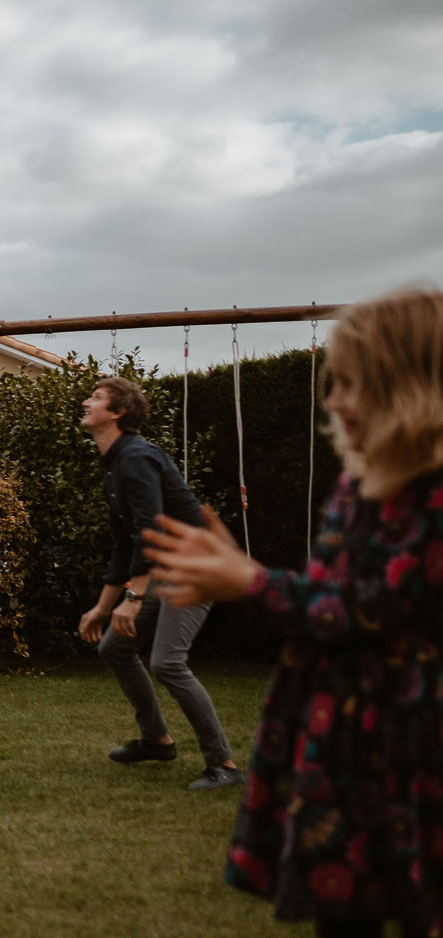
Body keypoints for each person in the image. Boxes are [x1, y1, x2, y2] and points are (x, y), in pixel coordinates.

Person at [145, 288, 443, 938]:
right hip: (338, 735)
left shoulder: (433, 498)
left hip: (407, 742)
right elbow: (324, 598)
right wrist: (236, 576)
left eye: (351, 384)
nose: (332, 401)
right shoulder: (358, 485)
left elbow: (372, 609)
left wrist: (251, 583)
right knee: (343, 908)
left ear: (411, 387)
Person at [76, 376, 242, 791]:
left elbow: (152, 530)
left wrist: (133, 598)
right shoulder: (115, 463)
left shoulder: (135, 457)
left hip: (195, 564)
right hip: (165, 564)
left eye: (96, 398)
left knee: (167, 662)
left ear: (117, 413)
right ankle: (157, 740)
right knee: (115, 646)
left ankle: (224, 763)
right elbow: (125, 543)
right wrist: (103, 606)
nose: (85, 402)